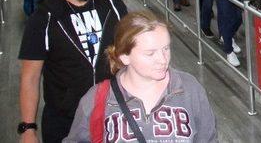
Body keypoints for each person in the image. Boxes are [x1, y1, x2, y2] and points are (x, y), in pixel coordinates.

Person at [18, 0, 128, 143]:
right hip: (64, 119)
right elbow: (30, 77)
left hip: (112, 112)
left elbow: (131, 52)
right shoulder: (44, 17)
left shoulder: (113, 5)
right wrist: (28, 128)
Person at [63, 10, 217, 142]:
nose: (163, 60)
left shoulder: (189, 88)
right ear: (124, 56)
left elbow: (208, 138)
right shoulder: (97, 99)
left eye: (166, 48)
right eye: (150, 53)